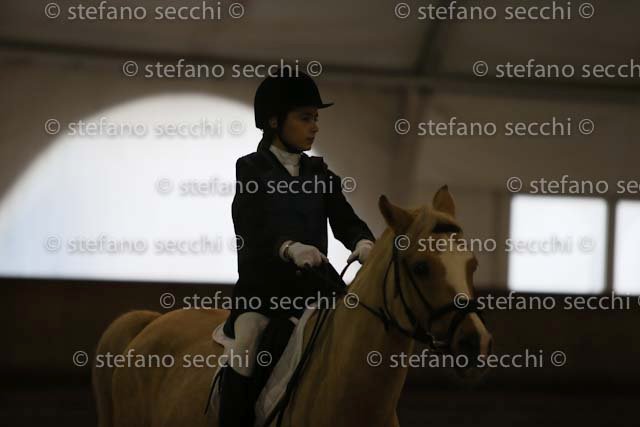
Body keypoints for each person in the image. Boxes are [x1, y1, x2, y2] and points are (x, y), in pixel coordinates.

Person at [218, 69, 375, 427]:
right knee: (246, 348)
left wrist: (363, 241)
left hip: (316, 289)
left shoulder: (319, 173)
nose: (315, 127)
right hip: (262, 295)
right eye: (305, 118)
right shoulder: (251, 169)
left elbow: (345, 218)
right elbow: (251, 228)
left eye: (316, 119)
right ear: (275, 121)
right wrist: (288, 248)